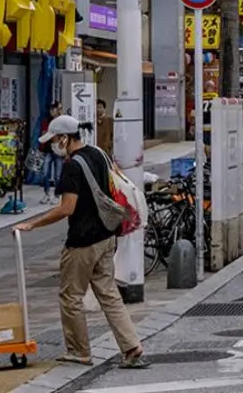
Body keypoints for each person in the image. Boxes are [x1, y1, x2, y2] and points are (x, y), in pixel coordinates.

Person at [15, 114, 148, 369]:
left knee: (70, 297)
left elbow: (67, 208)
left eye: (54, 139)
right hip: (107, 237)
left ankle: (79, 351)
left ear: (64, 138)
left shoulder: (72, 167)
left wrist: (32, 223)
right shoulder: (98, 154)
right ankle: (132, 347)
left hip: (83, 242)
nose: (53, 145)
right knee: (109, 295)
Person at [38, 101, 65, 205]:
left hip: (58, 150)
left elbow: (64, 135)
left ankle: (57, 195)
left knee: (58, 176)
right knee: (44, 173)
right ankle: (47, 194)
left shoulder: (61, 121)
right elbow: (43, 134)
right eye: (51, 109)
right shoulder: (47, 121)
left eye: (54, 109)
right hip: (47, 150)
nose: (52, 111)